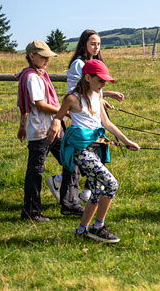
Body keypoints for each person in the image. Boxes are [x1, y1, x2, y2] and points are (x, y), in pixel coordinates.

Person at [47, 59, 140, 243]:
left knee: (97, 189)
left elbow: (106, 123)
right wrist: (56, 124)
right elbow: (58, 116)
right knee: (111, 184)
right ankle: (98, 227)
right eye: (100, 80)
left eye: (105, 81)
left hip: (95, 148)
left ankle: (82, 230)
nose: (103, 84)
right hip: (81, 150)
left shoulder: (97, 96)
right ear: (88, 77)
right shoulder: (72, 98)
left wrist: (126, 141)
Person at [47, 29, 124, 202]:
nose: (96, 47)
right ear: (84, 44)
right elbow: (75, 91)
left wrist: (105, 98)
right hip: (81, 116)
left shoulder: (94, 62)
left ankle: (82, 191)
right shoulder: (79, 64)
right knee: (80, 154)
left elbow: (94, 91)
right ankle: (72, 190)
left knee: (92, 153)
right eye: (92, 43)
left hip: (93, 112)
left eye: (98, 44)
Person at [16, 40, 84, 222]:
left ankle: (70, 203)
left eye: (48, 57)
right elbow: (39, 104)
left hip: (55, 126)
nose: (47, 60)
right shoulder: (32, 77)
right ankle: (31, 211)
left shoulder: (41, 74)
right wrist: (65, 112)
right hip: (41, 131)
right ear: (32, 56)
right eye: (43, 57)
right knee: (35, 171)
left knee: (71, 160)